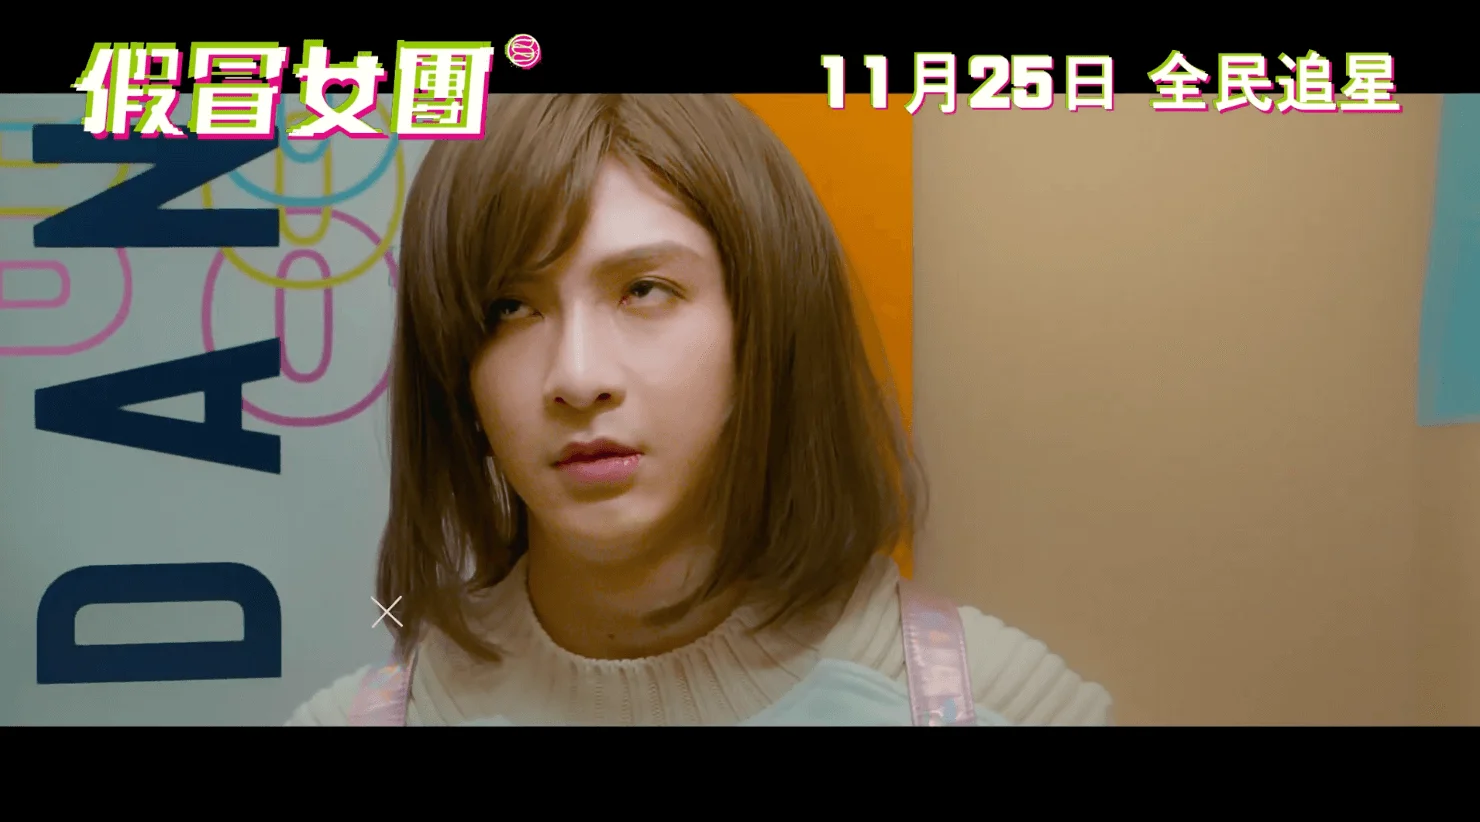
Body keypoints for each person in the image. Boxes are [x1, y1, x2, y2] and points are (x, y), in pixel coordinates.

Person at [286, 94, 1112, 727]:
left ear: (765, 328)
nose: (577, 377)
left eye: (644, 289)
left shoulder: (997, 704)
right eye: (510, 308)